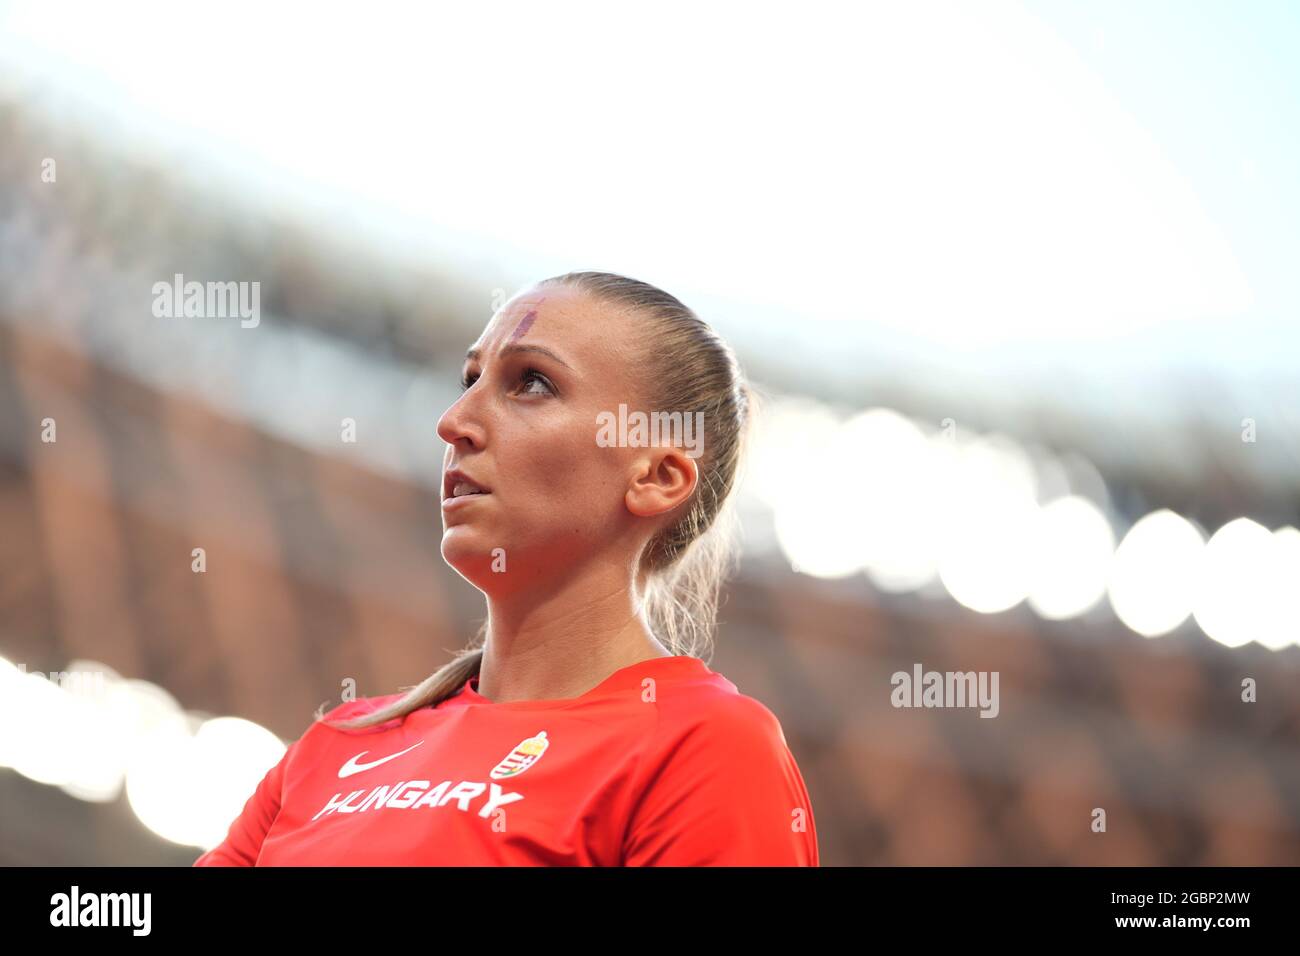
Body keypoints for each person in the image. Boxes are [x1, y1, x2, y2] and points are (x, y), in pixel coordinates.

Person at [194, 271, 818, 866]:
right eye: (469, 378)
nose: (454, 422)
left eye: (532, 384)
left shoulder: (705, 747)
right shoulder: (339, 743)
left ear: (657, 477)